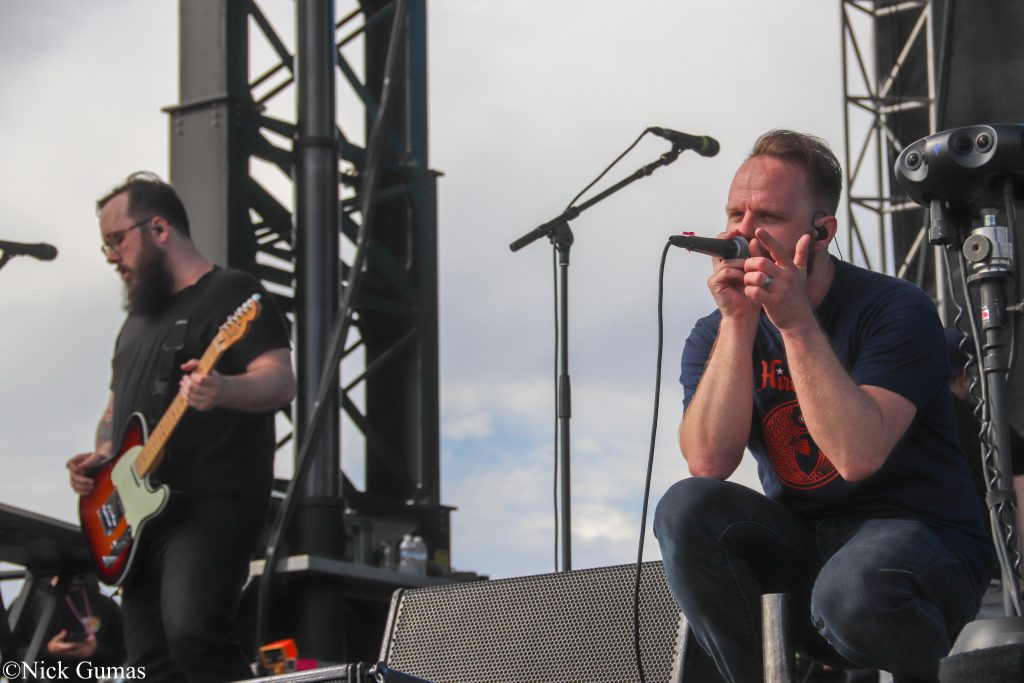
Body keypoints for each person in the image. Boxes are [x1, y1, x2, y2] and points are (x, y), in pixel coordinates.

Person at [654, 130, 994, 683]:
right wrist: (739, 322)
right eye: (735, 214)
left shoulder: (894, 308)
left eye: (768, 216)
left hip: (920, 538)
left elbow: (857, 455)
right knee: (685, 508)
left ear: (822, 232)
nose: (742, 232)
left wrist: (793, 323)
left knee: (853, 589)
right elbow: (709, 463)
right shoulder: (713, 334)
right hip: (806, 539)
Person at [66, 172, 296, 682]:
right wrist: (101, 460)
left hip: (210, 502)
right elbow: (115, 412)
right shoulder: (135, 325)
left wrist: (224, 389)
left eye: (116, 240)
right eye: (105, 245)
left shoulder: (234, 293)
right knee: (150, 665)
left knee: (194, 632)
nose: (110, 256)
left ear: (159, 228)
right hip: (139, 517)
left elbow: (280, 380)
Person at [13, 573, 125, 681]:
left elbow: (121, 656)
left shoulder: (105, 605)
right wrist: (46, 651)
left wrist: (95, 650)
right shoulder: (27, 603)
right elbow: (8, 659)